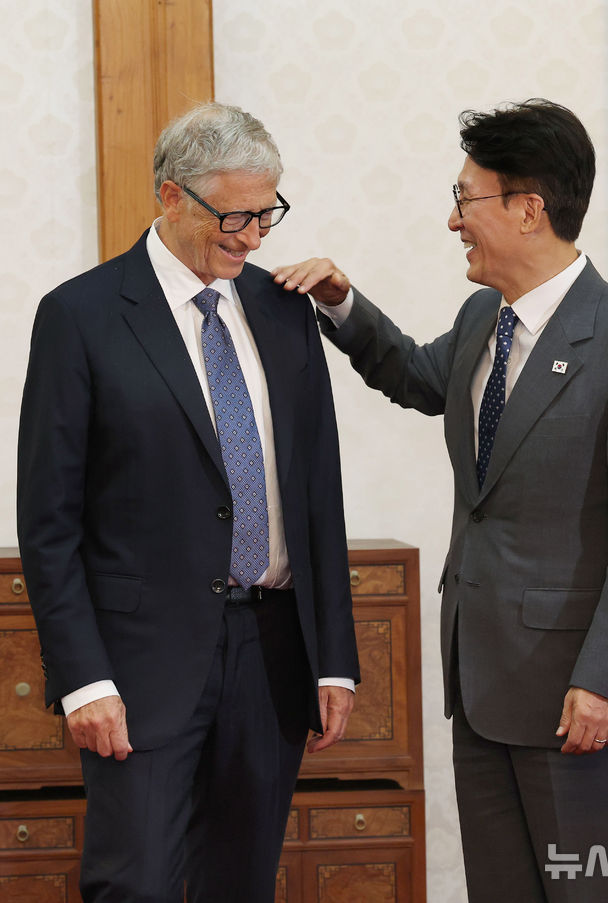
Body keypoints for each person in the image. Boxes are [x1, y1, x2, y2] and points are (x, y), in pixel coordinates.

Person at [272, 99, 608, 902]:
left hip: (582, 700)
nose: (452, 221)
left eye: (464, 199)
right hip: (484, 688)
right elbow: (413, 376)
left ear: (528, 209)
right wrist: (339, 301)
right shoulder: (482, 320)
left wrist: (604, 682)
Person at [17, 101, 359, 903]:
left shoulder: (284, 308)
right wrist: (83, 679)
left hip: (272, 654)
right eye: (234, 216)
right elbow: (48, 521)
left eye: (266, 214)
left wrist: (334, 657)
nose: (252, 237)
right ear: (171, 196)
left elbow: (318, 490)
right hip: (139, 666)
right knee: (133, 883)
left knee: (240, 884)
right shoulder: (81, 315)